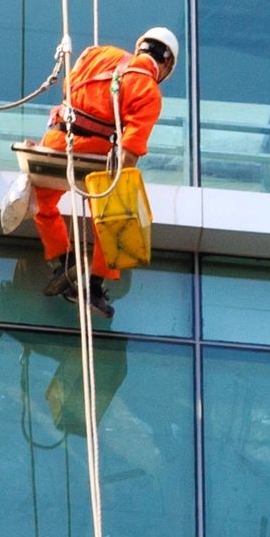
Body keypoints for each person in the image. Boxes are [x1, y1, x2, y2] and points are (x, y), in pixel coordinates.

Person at [34, 27, 177, 319]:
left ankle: (63, 263)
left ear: (140, 47)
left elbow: (69, 87)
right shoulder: (148, 89)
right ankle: (95, 286)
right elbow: (130, 149)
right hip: (95, 154)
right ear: (166, 64)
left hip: (57, 141)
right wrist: (117, 187)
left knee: (42, 203)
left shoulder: (98, 54)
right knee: (113, 222)